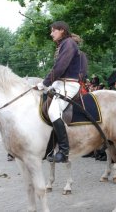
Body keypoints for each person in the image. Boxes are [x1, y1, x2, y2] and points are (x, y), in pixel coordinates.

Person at [35, 21, 85, 163]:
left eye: (53, 31)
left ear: (62, 30)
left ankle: (64, 150)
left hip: (68, 84)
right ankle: (50, 148)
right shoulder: (63, 44)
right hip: (60, 83)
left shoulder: (68, 43)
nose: (51, 34)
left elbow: (60, 67)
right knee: (42, 105)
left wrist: (44, 83)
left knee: (53, 112)